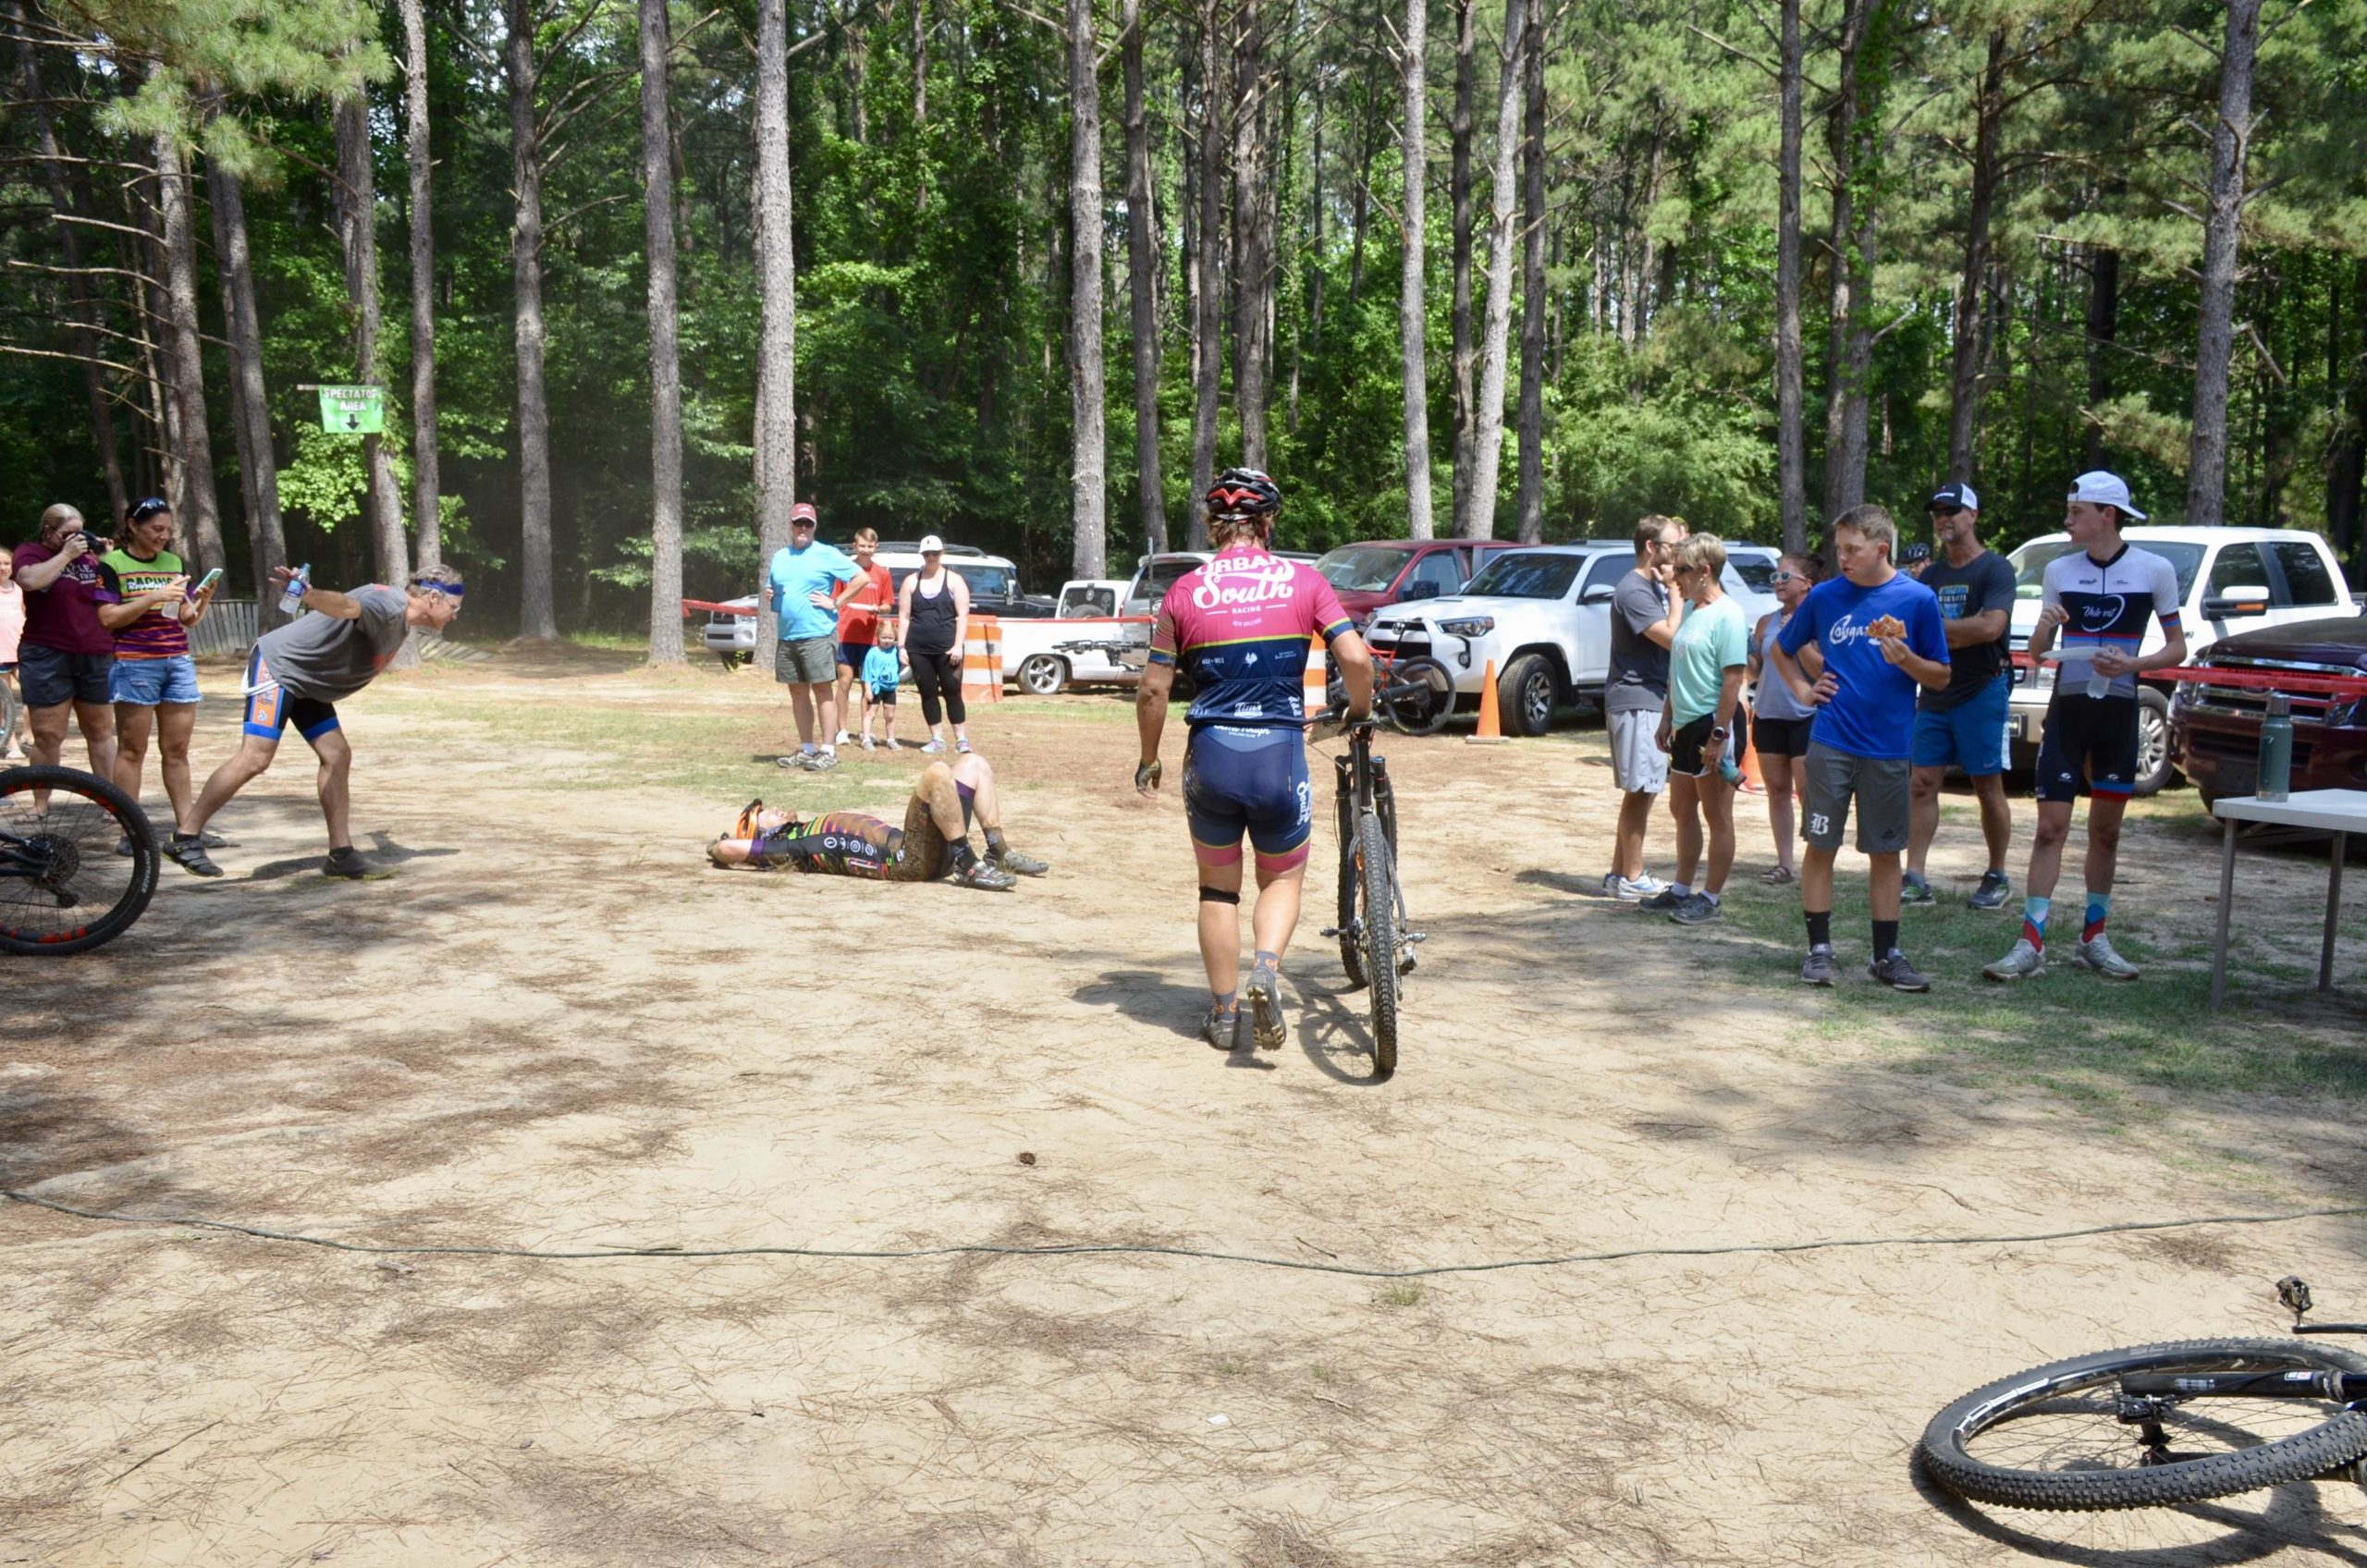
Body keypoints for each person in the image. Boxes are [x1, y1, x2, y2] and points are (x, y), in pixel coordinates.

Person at [1134, 468, 1372, 1053]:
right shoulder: (1305, 581)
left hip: (1211, 756)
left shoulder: (1183, 592)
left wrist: (1148, 760)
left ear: (1214, 527)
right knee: (1282, 877)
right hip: (1278, 754)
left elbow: (1151, 692)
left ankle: (1222, 1012)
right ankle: (1266, 968)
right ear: (1268, 521)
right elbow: (1357, 660)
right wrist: (1357, 711)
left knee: (1218, 891)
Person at [1984, 472, 2186, 983]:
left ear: (2107, 515)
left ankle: (2094, 937)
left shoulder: (2154, 569)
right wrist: (2048, 626)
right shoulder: (2059, 569)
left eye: (2077, 512)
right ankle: (2031, 941)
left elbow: (2177, 648)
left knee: (2107, 831)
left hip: (2119, 713)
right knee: (2050, 827)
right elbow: (2035, 652)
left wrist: (2133, 666)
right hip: (2068, 710)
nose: (2068, 519)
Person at [163, 568, 465, 880]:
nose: (455, 616)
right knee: (255, 757)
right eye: (454, 607)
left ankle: (341, 855)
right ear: (432, 598)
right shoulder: (389, 606)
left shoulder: (397, 612)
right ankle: (185, 838)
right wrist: (308, 594)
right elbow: (347, 606)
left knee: (336, 755)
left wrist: (382, 838)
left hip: (309, 682)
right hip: (280, 667)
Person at [1769, 505, 1952, 991]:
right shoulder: (1826, 596)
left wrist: (1907, 659)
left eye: (1852, 549)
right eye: (1840, 548)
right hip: (1830, 743)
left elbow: (1941, 674)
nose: (1842, 557)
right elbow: (1781, 649)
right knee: (1820, 845)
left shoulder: (1917, 600)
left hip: (1889, 747)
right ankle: (1819, 951)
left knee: (1886, 852)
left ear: (1881, 548)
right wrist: (1806, 691)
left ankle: (1886, 955)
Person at [1905, 482, 2017, 911]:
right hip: (1935, 689)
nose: (1942, 519)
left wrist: (1935, 631)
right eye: (1936, 512)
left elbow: (1991, 628)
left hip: (1982, 688)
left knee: (1987, 784)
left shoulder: (1995, 569)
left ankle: (1997, 874)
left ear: (1973, 515)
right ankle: (1915, 876)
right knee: (1922, 782)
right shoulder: (1931, 575)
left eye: (1950, 510)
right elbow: (1910, 626)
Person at [706, 752, 1045, 888]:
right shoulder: (786, 847)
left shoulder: (803, 832)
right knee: (936, 774)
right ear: (758, 832)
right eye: (761, 813)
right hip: (907, 861)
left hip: (921, 849)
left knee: (973, 764)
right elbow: (730, 850)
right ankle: (967, 863)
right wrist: (718, 847)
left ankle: (997, 850)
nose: (774, 809)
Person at [96, 497, 219, 844]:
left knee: (177, 750)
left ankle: (188, 829)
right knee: (132, 750)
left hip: (177, 661)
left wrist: (203, 598)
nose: (163, 536)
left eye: (167, 530)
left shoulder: (173, 562)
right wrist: (152, 596)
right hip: (135, 663)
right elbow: (107, 619)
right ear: (133, 526)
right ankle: (128, 833)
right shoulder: (112, 564)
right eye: (155, 529)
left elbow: (184, 618)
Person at [1659, 534, 1749, 925]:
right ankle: (1681, 889)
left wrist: (1719, 735)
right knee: (1681, 807)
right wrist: (1667, 718)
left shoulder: (1728, 614)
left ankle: (1710, 898)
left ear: (1704, 571)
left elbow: (1733, 680)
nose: (1673, 578)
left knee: (1717, 814)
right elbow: (1677, 671)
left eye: (1680, 570)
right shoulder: (1694, 609)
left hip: (1714, 724)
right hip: (1685, 724)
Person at [1603, 514, 1688, 903]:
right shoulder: (1634, 590)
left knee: (1642, 790)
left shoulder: (1646, 586)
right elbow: (1671, 638)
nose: (1677, 553)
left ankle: (1619, 873)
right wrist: (1675, 593)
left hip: (1648, 698)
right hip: (1637, 698)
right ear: (1651, 547)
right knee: (1641, 790)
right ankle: (1633, 878)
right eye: (1672, 545)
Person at [11, 503, 118, 783]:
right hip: (47, 652)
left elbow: (112, 595)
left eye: (81, 534)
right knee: (48, 734)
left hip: (95, 651)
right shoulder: (32, 552)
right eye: (68, 534)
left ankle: (114, 805)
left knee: (100, 732)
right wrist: (66, 555)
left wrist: (106, 558)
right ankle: (41, 805)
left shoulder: (91, 559)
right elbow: (30, 581)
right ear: (48, 531)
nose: (77, 540)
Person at [1748, 552, 1821, 887]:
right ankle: (1785, 864)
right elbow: (1755, 670)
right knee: (1777, 791)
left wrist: (1800, 637)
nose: (1777, 583)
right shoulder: (1766, 622)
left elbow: (1822, 669)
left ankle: (1816, 860)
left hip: (1807, 716)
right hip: (1768, 716)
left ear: (1806, 584)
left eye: (1784, 577)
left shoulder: (1820, 621)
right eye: (1774, 578)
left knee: (1808, 792)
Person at [767, 502, 858, 771]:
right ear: (791, 526)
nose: (803, 528)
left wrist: (836, 601)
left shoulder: (825, 554)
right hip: (788, 636)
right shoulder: (780, 556)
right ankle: (807, 749)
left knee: (822, 690)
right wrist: (770, 594)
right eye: (798, 523)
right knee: (797, 692)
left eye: (808, 523)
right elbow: (772, 587)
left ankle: (827, 751)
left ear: (815, 526)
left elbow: (860, 578)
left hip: (818, 634)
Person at [897, 534, 974, 754]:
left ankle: (961, 739)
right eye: (927, 554)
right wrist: (901, 647)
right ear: (922, 556)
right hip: (918, 648)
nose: (931, 557)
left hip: (948, 647)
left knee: (952, 690)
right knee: (927, 691)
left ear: (942, 554)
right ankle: (937, 738)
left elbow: (963, 615)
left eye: (935, 554)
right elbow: (903, 616)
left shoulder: (954, 580)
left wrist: (958, 645)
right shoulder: (911, 581)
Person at [831, 527, 893, 749]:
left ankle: (865, 729)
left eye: (870, 546)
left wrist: (879, 608)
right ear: (855, 546)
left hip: (870, 637)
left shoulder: (882, 573)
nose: (866, 550)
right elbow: (835, 599)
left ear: (876, 547)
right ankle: (841, 730)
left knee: (868, 684)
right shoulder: (844, 570)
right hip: (846, 633)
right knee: (845, 681)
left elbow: (888, 603)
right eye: (862, 546)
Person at [860, 617, 906, 750]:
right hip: (876, 688)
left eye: (891, 638)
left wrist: (904, 663)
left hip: (890, 689)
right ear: (878, 636)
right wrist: (868, 690)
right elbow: (867, 673)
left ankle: (891, 739)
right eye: (884, 637)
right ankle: (866, 738)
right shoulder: (873, 652)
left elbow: (899, 668)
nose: (887, 641)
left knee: (890, 715)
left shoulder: (896, 652)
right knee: (871, 714)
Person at [0, 548, 25, 760]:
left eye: (6, 563)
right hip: (0, 655)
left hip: (21, 652)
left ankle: (28, 735)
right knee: (4, 703)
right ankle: (10, 743)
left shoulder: (19, 589)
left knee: (35, 693)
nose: (2, 568)